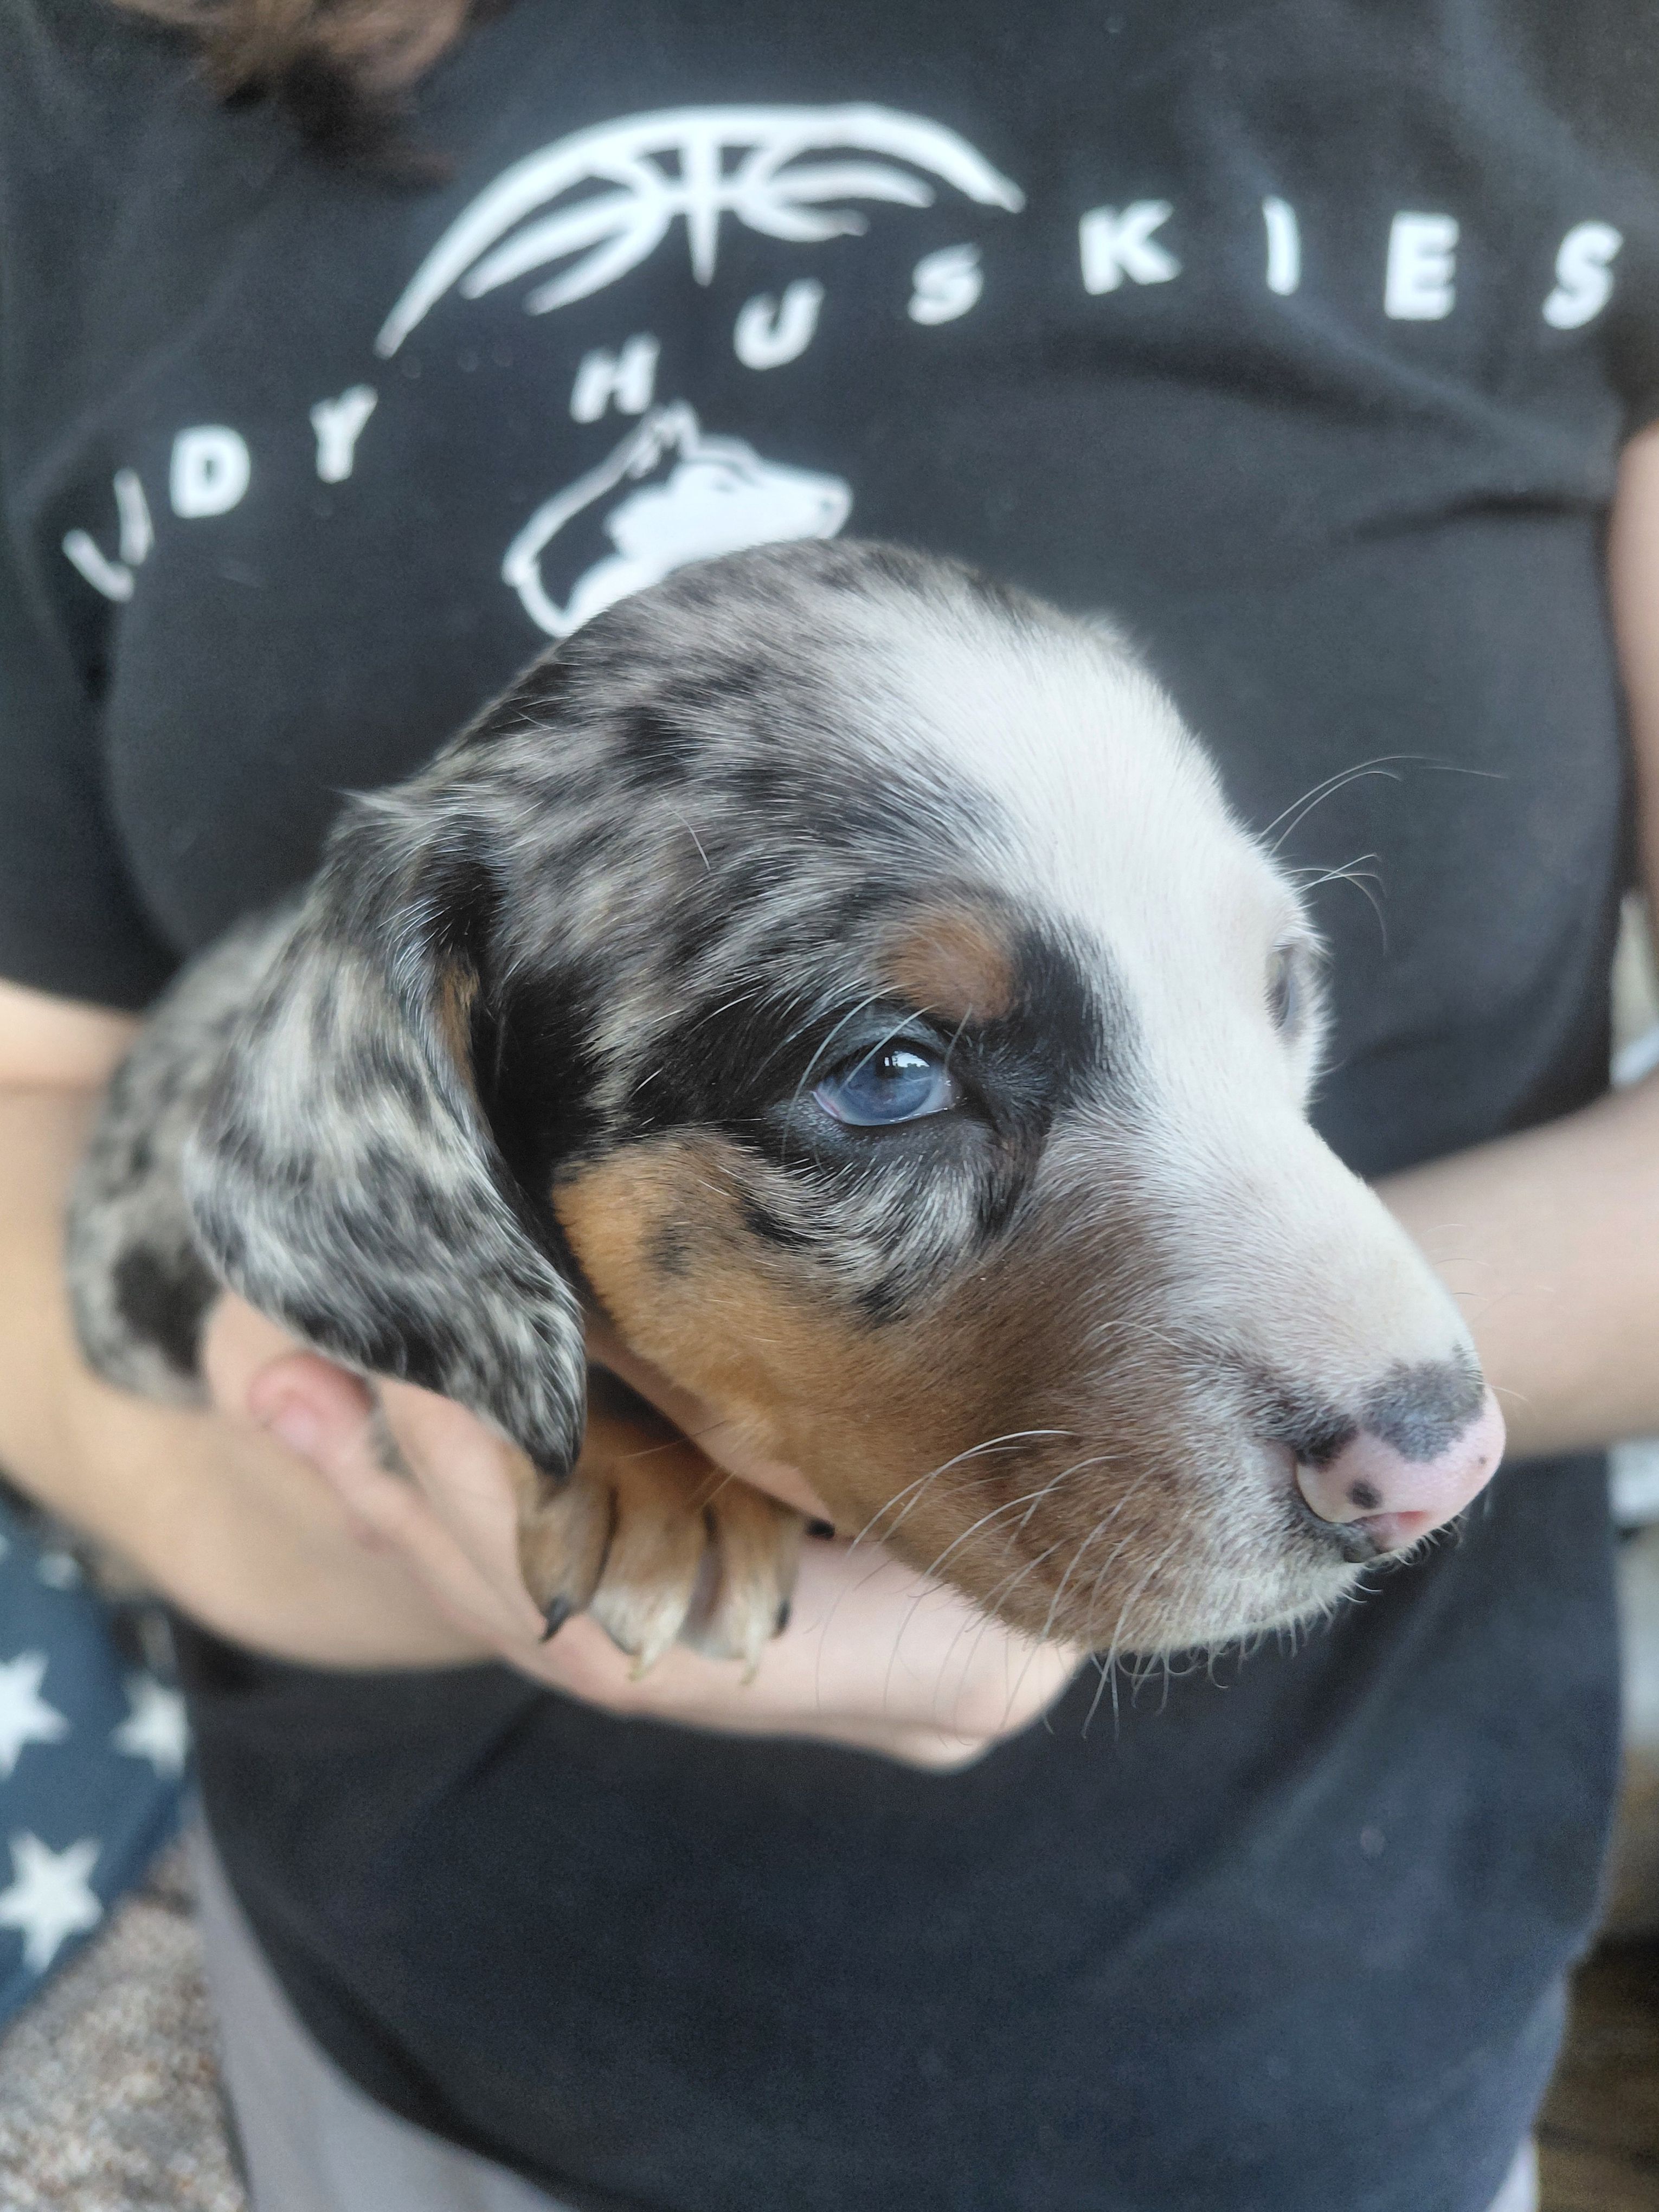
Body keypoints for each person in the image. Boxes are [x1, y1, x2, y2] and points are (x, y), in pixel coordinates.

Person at [3, 2, 1658, 2205]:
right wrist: (454, 1501)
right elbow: (38, 1102)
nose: (1403, 1430)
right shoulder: (68, 97)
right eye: (895, 1070)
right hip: (431, 2057)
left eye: (1272, 988)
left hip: (1330, 2064)